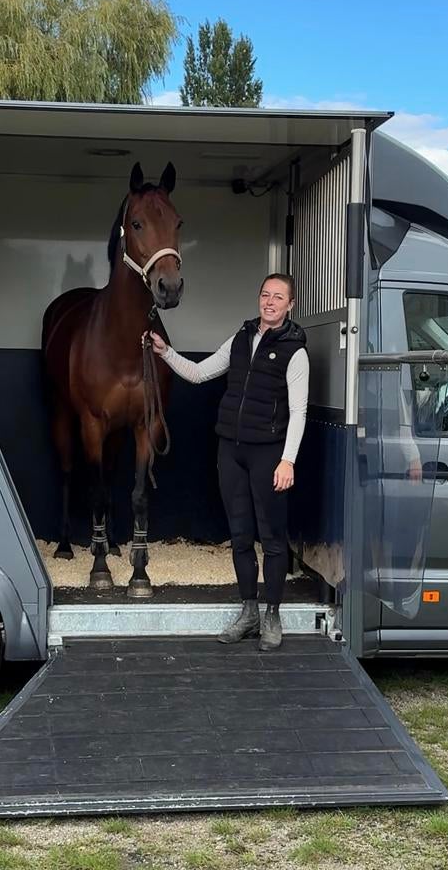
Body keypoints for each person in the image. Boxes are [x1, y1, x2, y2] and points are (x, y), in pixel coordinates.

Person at [148, 273, 309, 651]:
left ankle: (273, 615)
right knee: (239, 536)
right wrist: (165, 353)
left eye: (278, 297)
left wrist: (288, 461)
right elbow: (201, 373)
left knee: (271, 538)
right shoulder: (240, 339)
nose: (270, 302)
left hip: (269, 453)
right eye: (265, 294)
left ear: (290, 305)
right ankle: (248, 612)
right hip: (231, 451)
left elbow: (299, 412)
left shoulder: (295, 351)